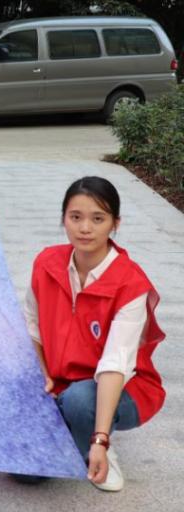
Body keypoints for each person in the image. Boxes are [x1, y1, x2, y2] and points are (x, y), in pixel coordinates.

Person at [19, 176, 164, 492]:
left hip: (121, 389)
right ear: (64, 219)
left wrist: (99, 439)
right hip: (60, 383)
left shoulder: (130, 284)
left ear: (115, 224)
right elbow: (31, 325)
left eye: (98, 219)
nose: (85, 228)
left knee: (81, 399)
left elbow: (115, 365)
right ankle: (68, 429)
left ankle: (98, 447)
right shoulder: (47, 263)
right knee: (24, 472)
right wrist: (41, 376)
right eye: (76, 217)